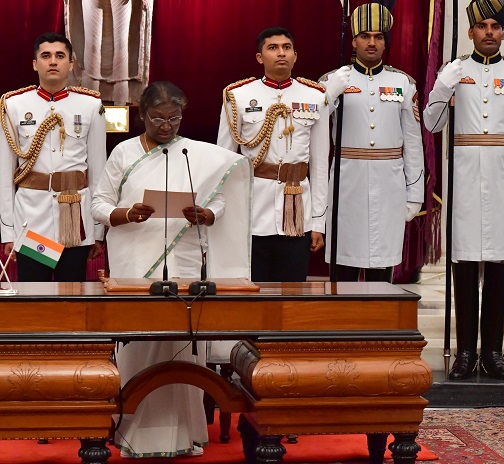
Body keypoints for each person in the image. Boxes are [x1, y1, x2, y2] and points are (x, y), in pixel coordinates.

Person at [91, 81, 252, 458]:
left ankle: (186, 434)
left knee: (181, 347)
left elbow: (218, 200)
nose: (166, 126)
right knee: (139, 344)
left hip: (183, 260)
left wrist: (207, 214)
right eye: (158, 118)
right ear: (141, 115)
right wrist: (126, 213)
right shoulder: (124, 153)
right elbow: (98, 203)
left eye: (174, 118)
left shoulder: (192, 155)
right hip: (134, 261)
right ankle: (133, 433)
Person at [423, 0, 504, 382]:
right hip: (466, 181)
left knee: (500, 267)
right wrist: (443, 85)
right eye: (482, 26)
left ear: (503, 31)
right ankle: (466, 352)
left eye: (495, 26)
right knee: (466, 266)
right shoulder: (455, 71)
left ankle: (493, 352)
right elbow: (432, 123)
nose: (489, 32)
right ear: (470, 32)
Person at [319, 2, 424, 283]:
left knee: (382, 266)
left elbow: (413, 142)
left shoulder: (402, 83)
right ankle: (343, 327)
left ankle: (380, 326)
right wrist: (328, 95)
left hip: (389, 184)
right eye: (365, 36)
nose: (372, 43)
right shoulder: (333, 79)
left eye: (378, 37)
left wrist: (415, 192)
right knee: (344, 266)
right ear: (354, 40)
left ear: (385, 43)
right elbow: (314, 130)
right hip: (346, 183)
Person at [217, 26, 329, 282]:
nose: (281, 53)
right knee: (253, 287)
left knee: (292, 290)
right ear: (260, 57)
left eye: (286, 48)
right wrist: (224, 215)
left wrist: (318, 223)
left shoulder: (314, 96)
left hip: (297, 207)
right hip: (253, 208)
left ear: (295, 56)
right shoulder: (237, 96)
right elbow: (223, 160)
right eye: (273, 48)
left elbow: (320, 164)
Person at [0, 32, 106, 282]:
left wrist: (98, 231)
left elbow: (99, 171)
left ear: (71, 64)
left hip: (75, 216)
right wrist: (7, 232)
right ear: (35, 64)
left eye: (60, 56)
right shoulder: (14, 105)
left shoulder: (90, 106)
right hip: (31, 217)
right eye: (45, 56)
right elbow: (5, 174)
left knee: (72, 295)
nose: (53, 61)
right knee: (34, 294)